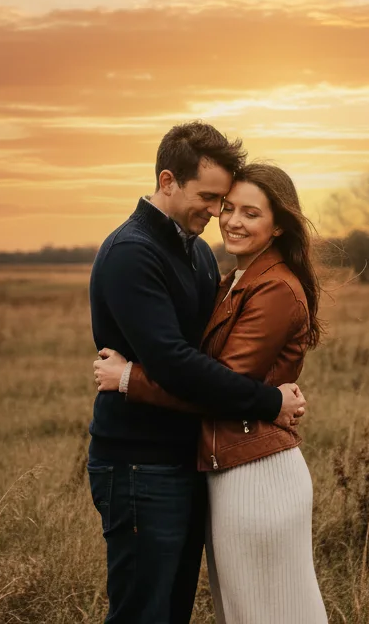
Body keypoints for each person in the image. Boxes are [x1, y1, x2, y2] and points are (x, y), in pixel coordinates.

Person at [87, 123, 307, 624]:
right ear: (168, 181)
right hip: (139, 463)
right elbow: (177, 365)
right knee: (143, 613)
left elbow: (214, 359)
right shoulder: (132, 252)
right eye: (211, 199)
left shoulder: (197, 254)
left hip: (188, 460)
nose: (216, 212)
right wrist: (270, 402)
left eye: (226, 202)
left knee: (174, 611)